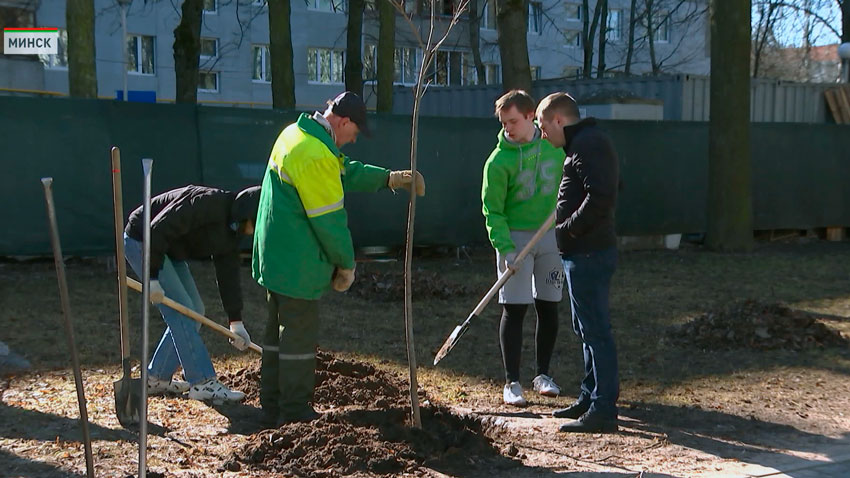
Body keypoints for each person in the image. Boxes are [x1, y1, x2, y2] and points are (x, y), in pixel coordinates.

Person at [252, 91, 426, 425]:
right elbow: (330, 222)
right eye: (355, 132)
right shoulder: (315, 153)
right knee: (299, 338)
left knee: (275, 333)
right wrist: (346, 264)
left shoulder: (296, 134)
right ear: (343, 122)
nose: (354, 140)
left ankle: (271, 404)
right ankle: (294, 413)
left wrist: (388, 178)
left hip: (274, 256)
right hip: (296, 261)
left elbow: (343, 170)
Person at [124, 184, 261, 403]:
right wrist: (152, 278)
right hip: (144, 240)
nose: (254, 232)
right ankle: (202, 382)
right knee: (182, 312)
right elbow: (157, 229)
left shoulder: (232, 232)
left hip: (169, 250)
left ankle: (156, 378)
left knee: (195, 310)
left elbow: (228, 273)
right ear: (245, 214)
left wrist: (236, 321)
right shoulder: (206, 203)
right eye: (256, 224)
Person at [536, 92, 620, 433]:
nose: (542, 134)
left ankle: (603, 408)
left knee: (596, 331)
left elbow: (602, 194)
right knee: (585, 329)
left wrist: (568, 230)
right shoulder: (582, 144)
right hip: (580, 252)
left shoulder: (589, 143)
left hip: (588, 252)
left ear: (558, 119)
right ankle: (590, 396)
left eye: (542, 126)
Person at [482, 89, 566, 407]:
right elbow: (493, 211)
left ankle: (543, 375)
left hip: (551, 236)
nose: (508, 128)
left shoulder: (555, 147)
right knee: (514, 308)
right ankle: (512, 382)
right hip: (515, 238)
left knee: (549, 304)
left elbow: (571, 181)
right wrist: (505, 248)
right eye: (504, 123)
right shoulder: (498, 161)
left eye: (514, 121)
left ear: (531, 116)